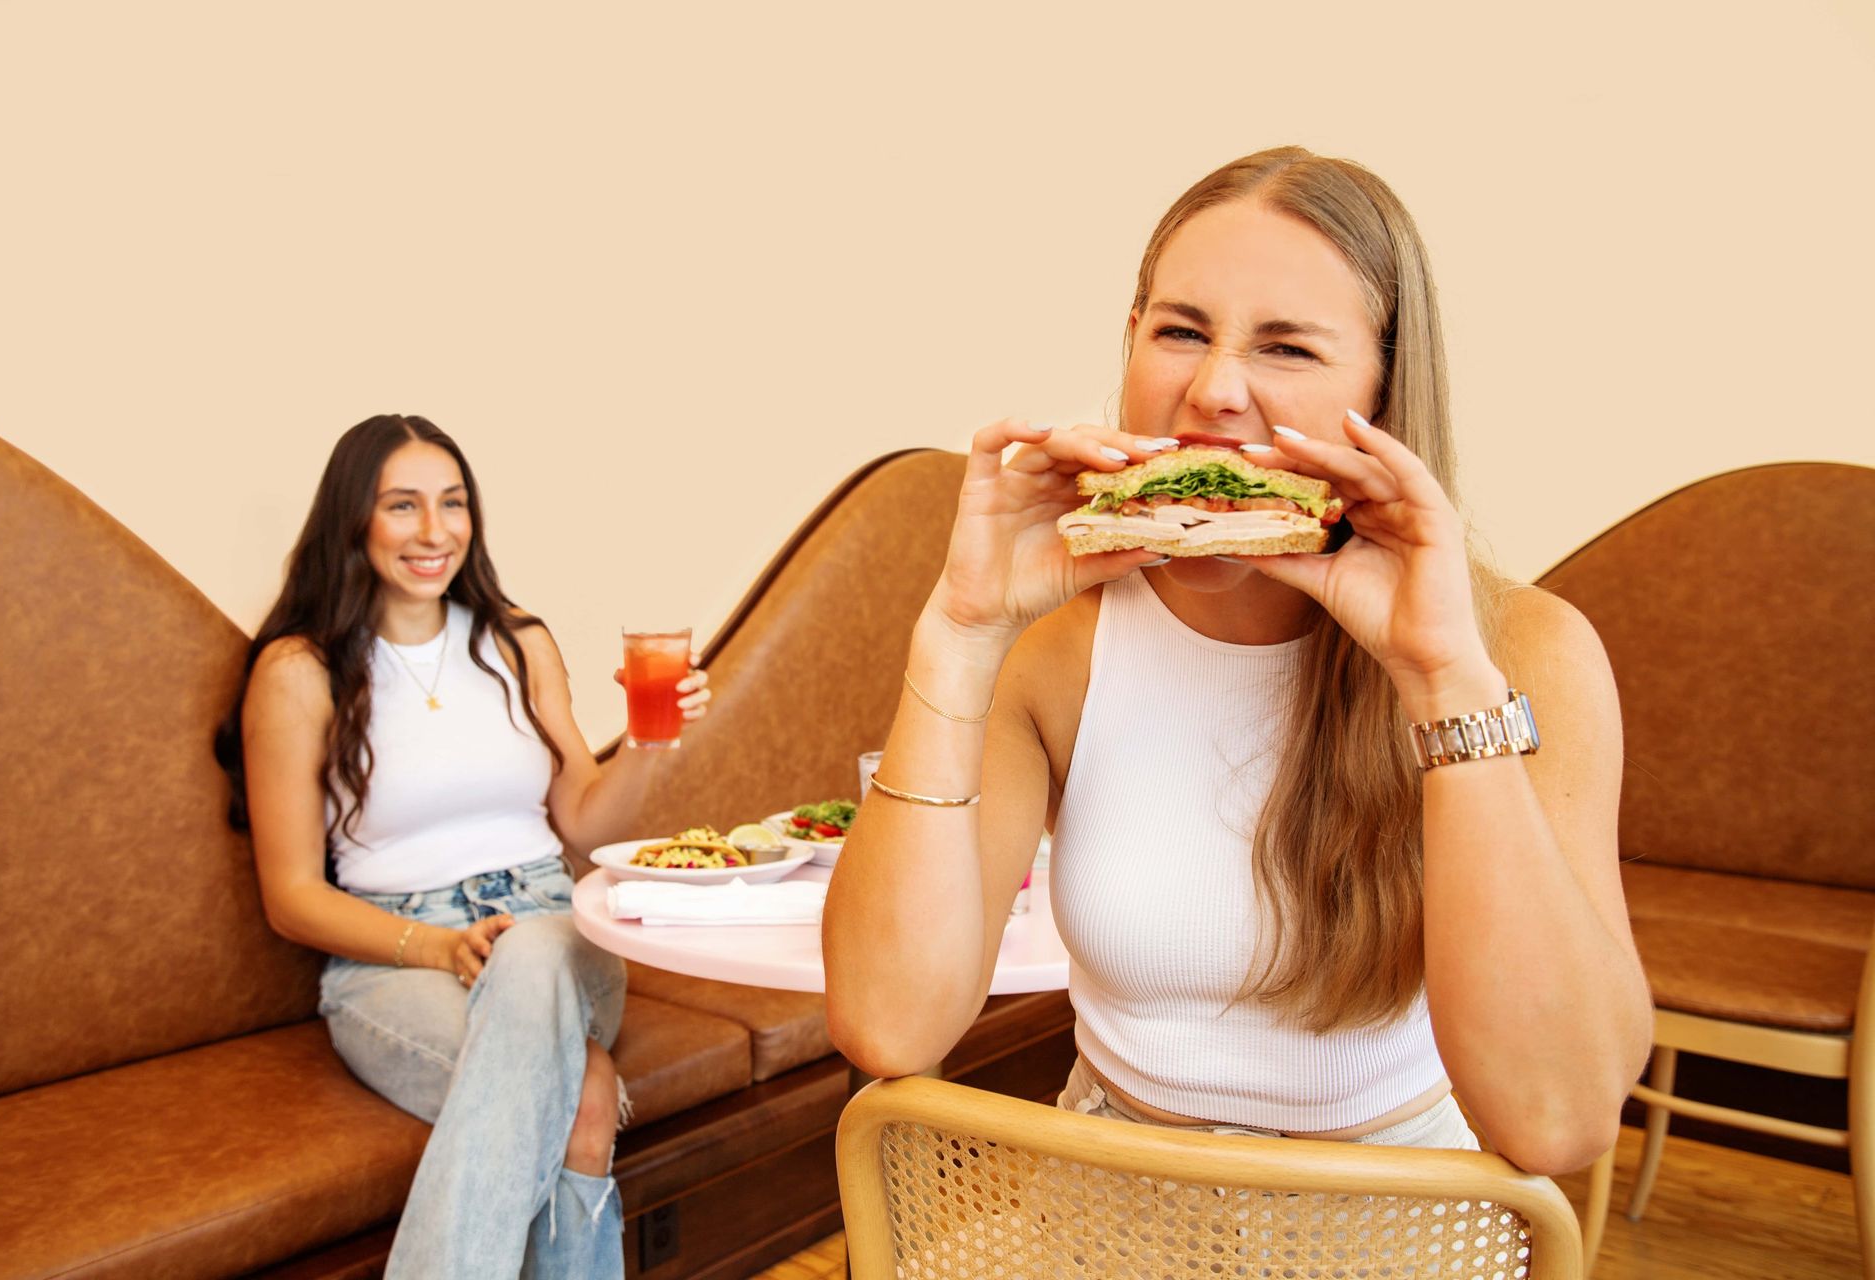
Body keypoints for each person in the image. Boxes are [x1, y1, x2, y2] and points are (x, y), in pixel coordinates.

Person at [822, 146, 1650, 1174]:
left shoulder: (1529, 651)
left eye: (1288, 348)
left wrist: (1443, 680)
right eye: (1180, 331)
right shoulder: (1053, 647)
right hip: (1108, 1203)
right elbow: (888, 1025)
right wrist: (957, 637)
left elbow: (1558, 1119)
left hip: (1393, 1217)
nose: (1214, 389)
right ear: (1130, 342)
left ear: (1385, 395)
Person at [216, 414, 710, 1278]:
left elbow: (585, 825)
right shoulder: (300, 672)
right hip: (396, 958)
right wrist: (444, 946)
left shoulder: (517, 643)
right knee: (583, 1098)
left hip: (554, 933)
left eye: (452, 503)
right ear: (353, 521)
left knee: (528, 951)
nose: (434, 530)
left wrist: (644, 742)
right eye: (402, 506)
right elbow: (290, 898)